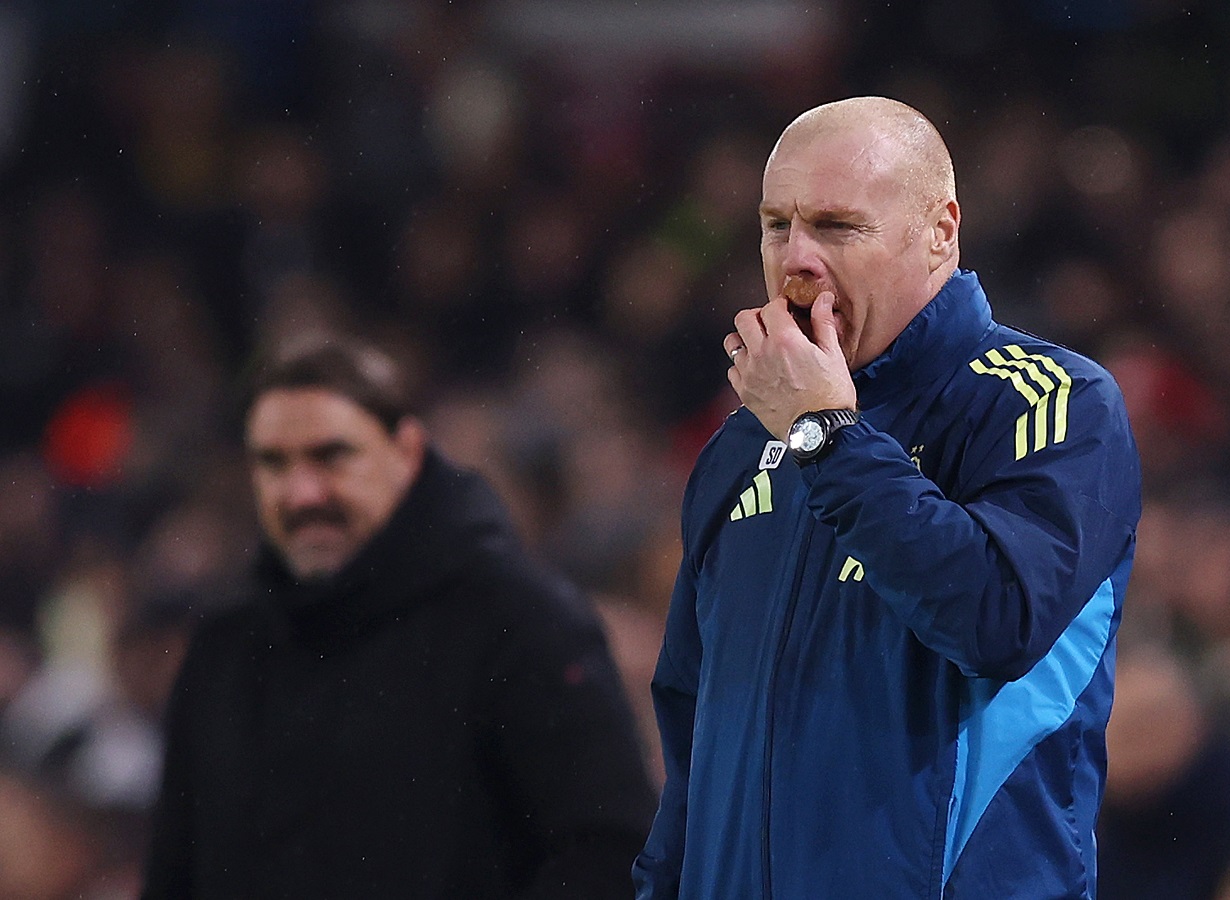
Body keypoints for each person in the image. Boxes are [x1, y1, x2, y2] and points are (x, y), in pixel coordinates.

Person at [633, 96, 1142, 898]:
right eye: (776, 225)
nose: (795, 259)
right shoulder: (741, 446)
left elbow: (994, 619)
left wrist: (826, 434)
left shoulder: (1051, 403)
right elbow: (694, 748)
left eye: (836, 226)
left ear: (940, 230)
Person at [141, 336, 656, 899]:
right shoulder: (224, 650)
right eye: (273, 463)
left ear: (406, 452)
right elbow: (175, 872)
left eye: (331, 456)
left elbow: (604, 855)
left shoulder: (523, 624)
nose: (302, 493)